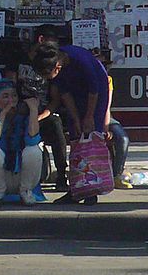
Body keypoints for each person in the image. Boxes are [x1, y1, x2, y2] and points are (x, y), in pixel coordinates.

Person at [32, 42, 110, 205]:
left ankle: (91, 190)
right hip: (76, 95)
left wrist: (89, 116)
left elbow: (94, 90)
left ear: (57, 68)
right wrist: (75, 119)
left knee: (89, 136)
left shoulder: (80, 59)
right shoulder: (59, 72)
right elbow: (66, 95)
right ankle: (76, 189)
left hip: (95, 95)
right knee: (76, 137)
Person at [4, 24, 69, 191]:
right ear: (41, 40)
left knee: (55, 125)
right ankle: (13, 172)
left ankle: (62, 174)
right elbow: (9, 87)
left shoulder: (52, 62)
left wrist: (42, 115)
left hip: (42, 112)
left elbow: (54, 99)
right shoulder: (18, 59)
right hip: (21, 108)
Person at [0, 80, 42, 207]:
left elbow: (32, 138)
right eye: (5, 96)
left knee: (34, 150)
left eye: (14, 95)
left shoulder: (24, 117)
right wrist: (3, 114)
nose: (11, 99)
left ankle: (26, 191)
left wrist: (33, 110)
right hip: (1, 176)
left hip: (21, 174)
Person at [95, 50, 132, 190]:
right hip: (88, 118)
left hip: (105, 118)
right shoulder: (82, 80)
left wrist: (104, 129)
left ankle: (116, 175)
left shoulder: (107, 80)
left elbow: (106, 106)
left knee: (122, 138)